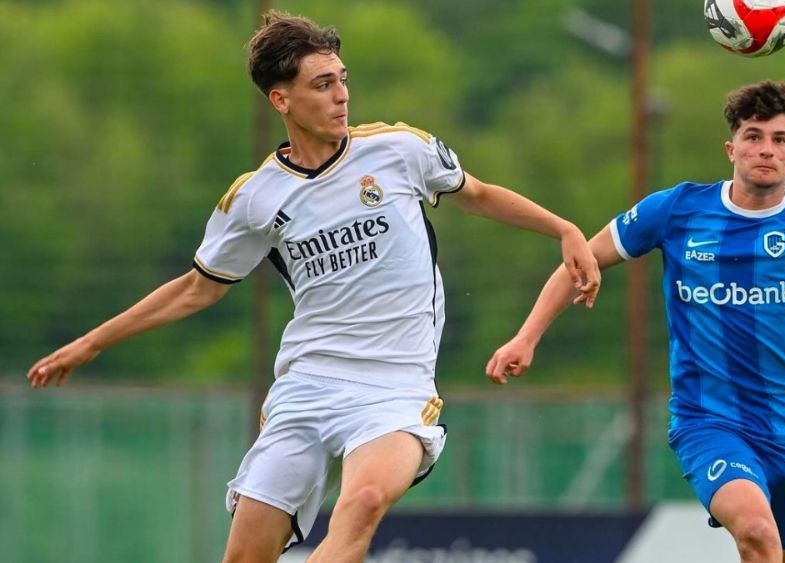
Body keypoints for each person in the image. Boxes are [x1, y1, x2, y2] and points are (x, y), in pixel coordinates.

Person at [26, 10, 600, 563]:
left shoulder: (400, 150)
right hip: (307, 385)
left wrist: (563, 228)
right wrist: (91, 344)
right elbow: (196, 288)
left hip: (395, 386)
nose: (341, 96)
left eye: (342, 80)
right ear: (281, 100)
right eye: (322, 85)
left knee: (364, 501)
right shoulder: (256, 198)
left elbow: (478, 195)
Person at [486, 80, 785, 563]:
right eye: (753, 136)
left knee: (782, 554)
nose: (766, 149)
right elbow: (579, 260)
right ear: (731, 148)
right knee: (756, 531)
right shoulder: (678, 209)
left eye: (780, 139)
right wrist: (526, 337)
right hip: (708, 420)